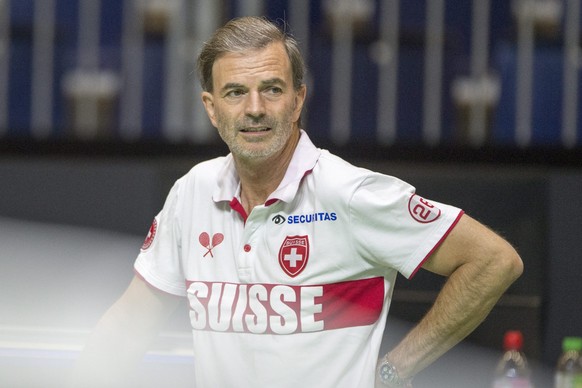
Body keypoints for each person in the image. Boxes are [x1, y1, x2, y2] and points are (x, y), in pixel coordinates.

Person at [70, 16, 523, 388]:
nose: (254, 108)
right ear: (211, 107)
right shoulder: (192, 191)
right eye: (234, 93)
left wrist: (391, 371)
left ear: (297, 100)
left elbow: (494, 261)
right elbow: (130, 324)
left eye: (272, 89)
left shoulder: (349, 193)